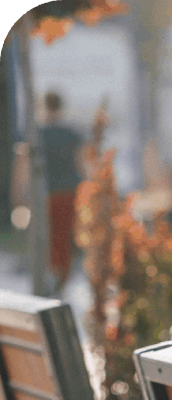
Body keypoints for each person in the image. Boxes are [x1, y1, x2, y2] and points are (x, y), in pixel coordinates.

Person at [40, 91, 84, 294]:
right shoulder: (72, 133)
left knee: (49, 236)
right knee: (65, 236)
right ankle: (62, 277)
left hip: (47, 192)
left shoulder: (38, 133)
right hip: (70, 190)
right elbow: (81, 164)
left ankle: (55, 274)